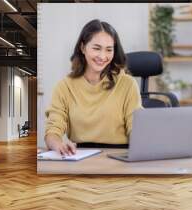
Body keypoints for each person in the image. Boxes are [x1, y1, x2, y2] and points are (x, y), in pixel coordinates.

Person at [44, 19, 143, 156]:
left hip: (120, 155)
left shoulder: (127, 84)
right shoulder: (64, 86)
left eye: (109, 50)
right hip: (80, 156)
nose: (103, 56)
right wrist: (58, 145)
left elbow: (137, 128)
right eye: (96, 48)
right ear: (83, 47)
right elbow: (53, 130)